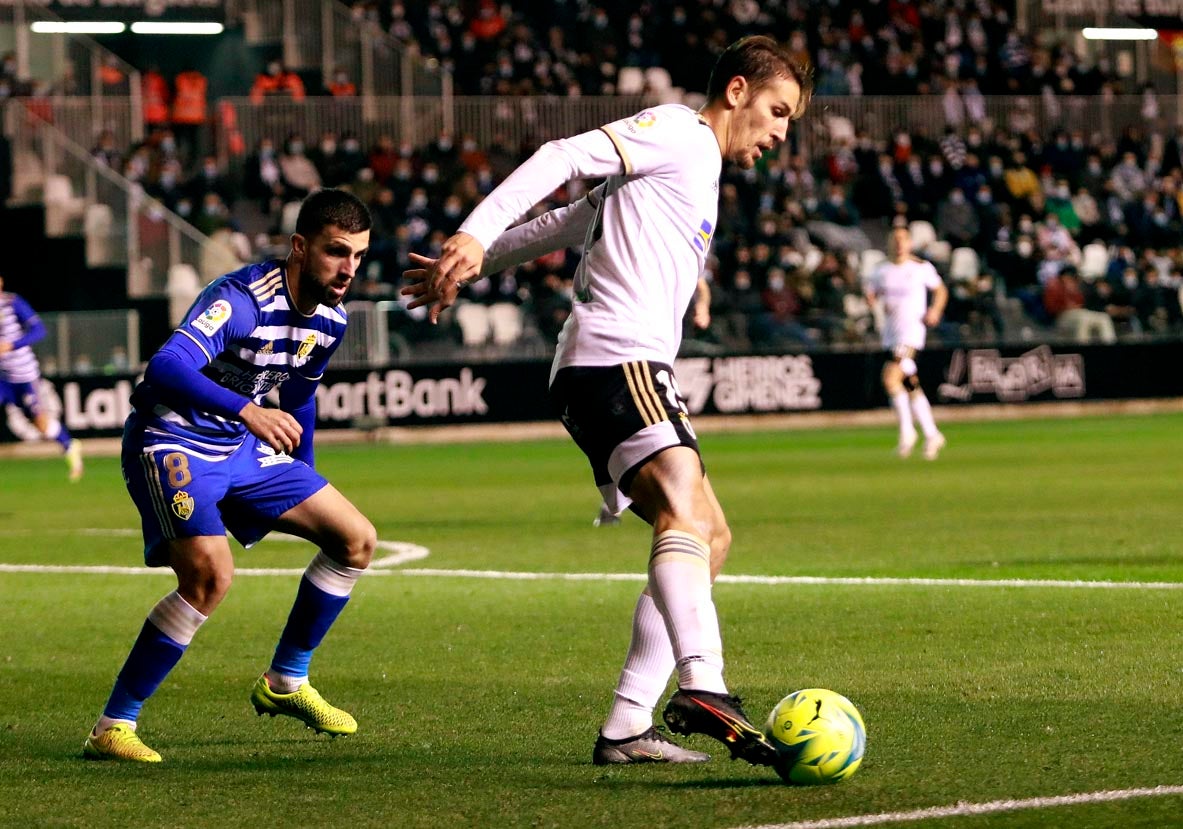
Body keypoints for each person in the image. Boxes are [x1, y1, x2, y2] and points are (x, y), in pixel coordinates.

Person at [404, 35, 810, 767]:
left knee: (707, 535)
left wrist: (472, 263)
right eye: (779, 111)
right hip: (612, 358)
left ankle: (626, 723)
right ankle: (704, 683)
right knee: (684, 512)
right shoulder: (680, 134)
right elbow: (562, 156)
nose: (781, 133)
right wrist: (471, 233)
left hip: (624, 363)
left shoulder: (692, 169)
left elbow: (564, 224)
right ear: (738, 92)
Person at [83, 189, 376, 763]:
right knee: (210, 577)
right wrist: (247, 410)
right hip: (171, 440)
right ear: (299, 246)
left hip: (243, 449)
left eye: (359, 256)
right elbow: (165, 366)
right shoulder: (241, 300)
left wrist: (303, 474)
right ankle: (112, 727)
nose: (349, 270)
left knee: (356, 539)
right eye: (336, 252)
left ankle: (285, 682)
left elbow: (298, 399)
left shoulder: (331, 321)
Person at [864, 224, 949, 460]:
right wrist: (872, 300)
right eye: (895, 239)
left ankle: (907, 432)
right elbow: (871, 293)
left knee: (890, 377)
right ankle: (932, 434)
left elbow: (940, 291)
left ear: (910, 243)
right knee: (910, 383)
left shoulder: (920, 268)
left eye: (903, 239)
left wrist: (935, 310)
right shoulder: (881, 271)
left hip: (911, 334)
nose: (899, 244)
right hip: (891, 335)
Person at [0, 275, 83, 480]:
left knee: (42, 425)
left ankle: (70, 446)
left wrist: (12, 345)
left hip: (23, 375)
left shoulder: (13, 303)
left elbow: (39, 330)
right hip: (2, 377)